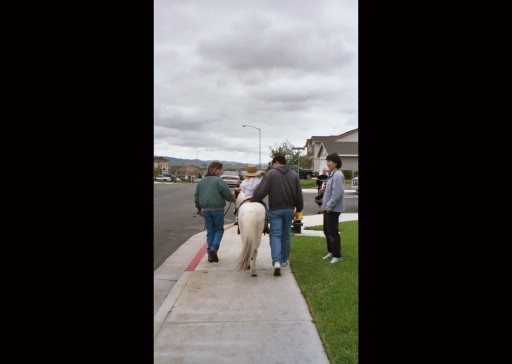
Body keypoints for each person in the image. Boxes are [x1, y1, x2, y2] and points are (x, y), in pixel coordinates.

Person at [250, 154, 304, 276]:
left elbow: (261, 191)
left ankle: (277, 262)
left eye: (273, 164)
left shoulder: (271, 174)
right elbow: (299, 195)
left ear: (276, 162)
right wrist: (298, 209)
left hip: (275, 210)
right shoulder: (294, 175)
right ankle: (284, 260)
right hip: (289, 210)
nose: (273, 166)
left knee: (275, 235)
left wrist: (252, 199)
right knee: (286, 235)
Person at [194, 161, 235, 263]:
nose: (220, 172)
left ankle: (210, 255)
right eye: (218, 169)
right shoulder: (219, 181)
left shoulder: (201, 182)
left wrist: (199, 209)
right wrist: (233, 199)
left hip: (206, 210)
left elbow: (196, 197)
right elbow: (226, 193)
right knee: (219, 230)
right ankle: (214, 248)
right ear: (213, 169)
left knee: (210, 231)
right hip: (218, 210)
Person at [320, 153, 345, 264]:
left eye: (329, 161)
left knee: (333, 232)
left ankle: (337, 255)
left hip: (332, 209)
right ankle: (331, 251)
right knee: (327, 231)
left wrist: (329, 206)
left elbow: (338, 194)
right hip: (328, 209)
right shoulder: (332, 174)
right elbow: (332, 191)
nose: (328, 163)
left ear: (336, 162)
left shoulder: (337, 175)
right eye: (327, 161)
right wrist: (324, 191)